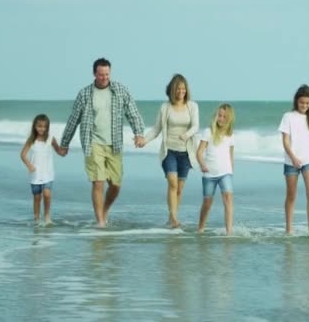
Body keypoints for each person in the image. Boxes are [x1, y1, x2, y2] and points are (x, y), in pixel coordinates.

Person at [59, 58, 146, 228]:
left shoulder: (120, 90)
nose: (104, 77)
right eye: (101, 74)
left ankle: (104, 210)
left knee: (115, 185)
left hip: (115, 144)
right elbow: (73, 120)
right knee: (98, 182)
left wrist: (139, 133)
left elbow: (133, 113)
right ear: (94, 74)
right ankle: (100, 222)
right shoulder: (84, 94)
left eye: (107, 74)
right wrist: (64, 143)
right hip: (93, 142)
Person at [139, 74, 199, 228]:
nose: (181, 92)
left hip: (186, 152)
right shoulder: (165, 107)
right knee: (172, 183)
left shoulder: (192, 106)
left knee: (179, 189)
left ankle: (172, 217)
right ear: (172, 90)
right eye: (178, 89)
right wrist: (144, 140)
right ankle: (173, 219)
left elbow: (195, 126)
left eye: (183, 89)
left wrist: (186, 135)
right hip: (169, 151)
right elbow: (156, 129)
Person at [278, 84, 309, 236]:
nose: (304, 105)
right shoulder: (288, 117)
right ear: (297, 101)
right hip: (291, 162)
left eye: (307, 103)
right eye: (302, 102)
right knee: (291, 195)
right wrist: (293, 158)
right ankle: (289, 229)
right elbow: (285, 141)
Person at [196, 103, 235, 235]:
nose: (221, 119)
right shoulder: (208, 132)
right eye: (220, 115)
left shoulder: (230, 134)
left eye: (225, 117)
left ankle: (229, 232)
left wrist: (231, 170)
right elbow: (199, 152)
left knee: (228, 199)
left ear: (229, 119)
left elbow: (231, 154)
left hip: (225, 172)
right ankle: (201, 228)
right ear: (216, 116)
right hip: (209, 173)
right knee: (207, 202)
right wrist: (202, 165)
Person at [20, 114, 65, 224]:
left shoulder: (50, 139)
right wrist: (29, 165)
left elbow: (59, 150)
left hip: (48, 173)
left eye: (44, 126)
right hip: (35, 174)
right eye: (39, 126)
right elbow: (23, 154)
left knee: (47, 194)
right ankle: (36, 218)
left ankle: (47, 215)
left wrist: (63, 152)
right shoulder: (31, 140)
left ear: (47, 127)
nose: (42, 129)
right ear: (35, 126)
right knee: (37, 198)